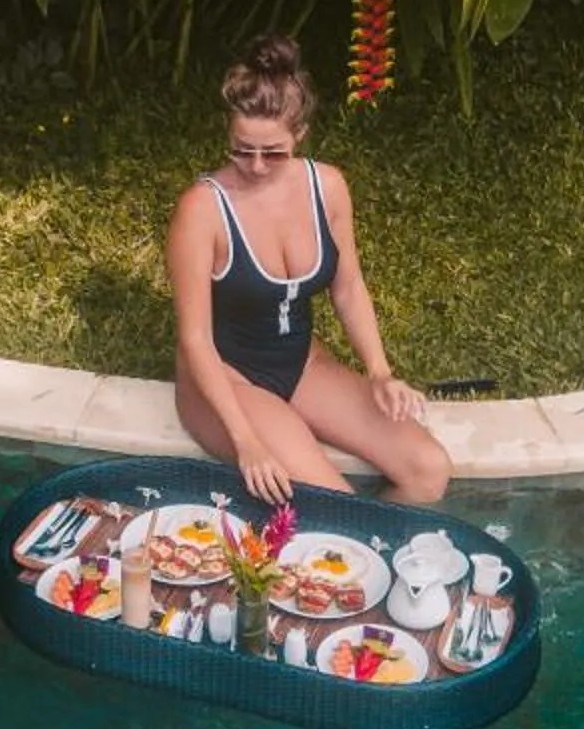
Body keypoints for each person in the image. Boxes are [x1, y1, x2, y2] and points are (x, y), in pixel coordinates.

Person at [167, 33, 452, 508]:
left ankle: (377, 561)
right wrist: (247, 442)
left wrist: (380, 373)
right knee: (333, 504)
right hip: (225, 377)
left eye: (273, 152)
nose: (256, 166)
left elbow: (349, 287)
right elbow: (194, 339)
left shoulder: (329, 187)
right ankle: (339, 554)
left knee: (429, 470)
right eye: (242, 149)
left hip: (300, 362)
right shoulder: (202, 210)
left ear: (299, 135)